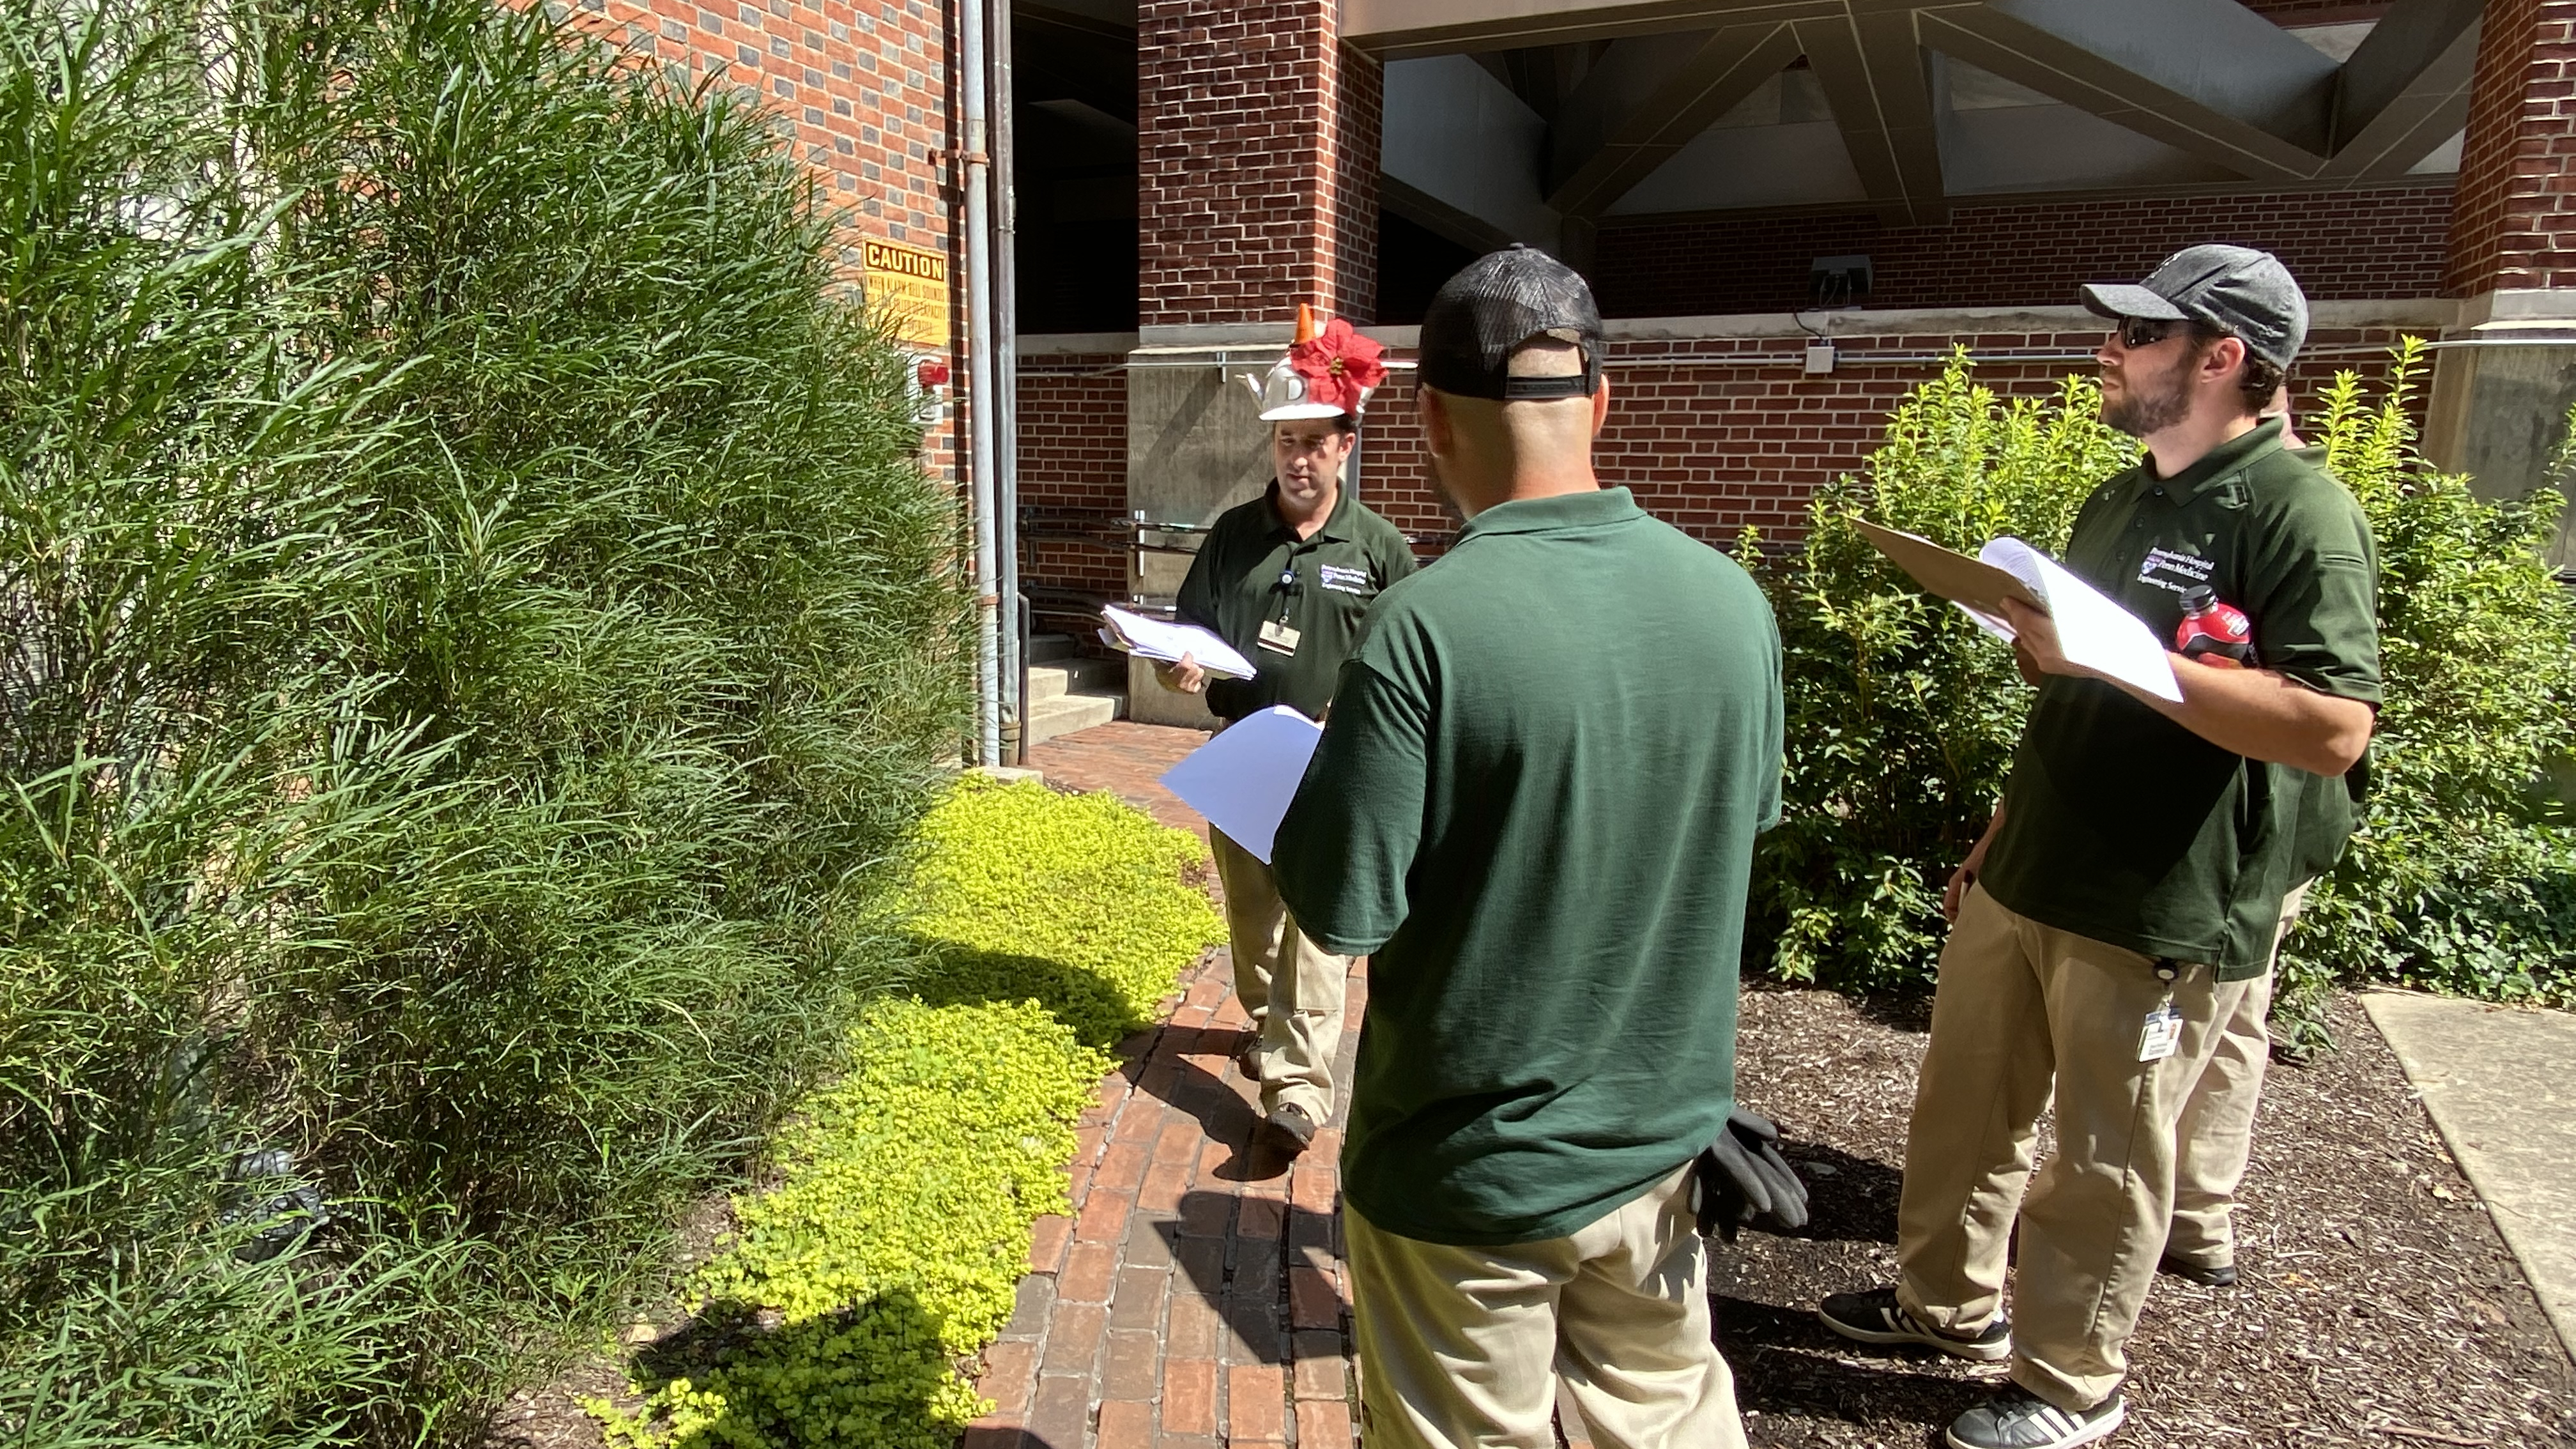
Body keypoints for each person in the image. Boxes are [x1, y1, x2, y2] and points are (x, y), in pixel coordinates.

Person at [1821, 245, 2380, 1449]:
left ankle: (2073, 1385)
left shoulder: (2300, 513)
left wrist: (2124, 663)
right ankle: (1942, 1306)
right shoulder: (2125, 492)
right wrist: (2004, 813)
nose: (2108, 352)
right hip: (2036, 864)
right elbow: (2079, 685)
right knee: (1966, 1110)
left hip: (2157, 901)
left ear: (2223, 359)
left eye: (2139, 337)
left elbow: (2334, 729)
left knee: (2100, 1159)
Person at [1273, 247, 1784, 1449]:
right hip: (1661, 1154)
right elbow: (1719, 832)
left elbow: (1345, 909)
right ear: (1601, 400)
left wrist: (1317, 788)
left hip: (1467, 1177)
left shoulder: (1423, 628)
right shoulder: (1733, 605)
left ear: (1432, 420)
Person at [1160, 309, 1415, 1152]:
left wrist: (1362, 713)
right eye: (1285, 444)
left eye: (1314, 443)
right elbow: (1188, 630)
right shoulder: (1235, 534)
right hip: (1241, 753)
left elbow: (1409, 661)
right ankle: (1270, 1027)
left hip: (1334, 763)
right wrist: (1180, 665)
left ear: (1345, 446)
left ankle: (1299, 1092)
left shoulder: (1380, 549)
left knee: (1318, 928)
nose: (1298, 460)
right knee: (1254, 921)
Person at [2161, 390, 2371, 1289]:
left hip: (2260, 824)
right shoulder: (2198, 500)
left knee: (2210, 1019)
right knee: (2239, 1014)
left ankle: (2168, 1217)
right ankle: (2195, 1214)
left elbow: (2325, 712)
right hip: (2253, 822)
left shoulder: (2296, 514)